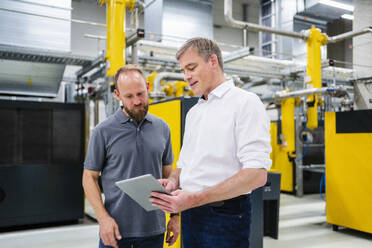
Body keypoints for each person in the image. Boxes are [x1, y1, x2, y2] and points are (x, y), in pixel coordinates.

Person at [150, 38, 272, 248]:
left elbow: (257, 174)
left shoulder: (245, 103)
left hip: (225, 216)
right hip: (190, 214)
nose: (186, 76)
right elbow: (184, 165)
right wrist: (172, 182)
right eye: (183, 71)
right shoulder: (195, 112)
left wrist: (195, 198)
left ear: (213, 61)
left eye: (191, 67)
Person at [82, 64, 179, 248]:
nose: (137, 101)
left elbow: (169, 173)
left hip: (154, 229)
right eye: (129, 96)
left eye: (141, 93)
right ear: (118, 96)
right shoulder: (103, 131)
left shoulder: (162, 128)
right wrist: (103, 219)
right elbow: (89, 177)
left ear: (148, 87)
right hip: (115, 229)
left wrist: (175, 216)